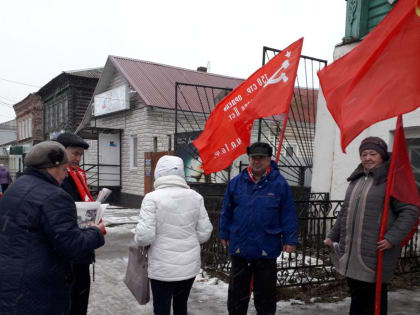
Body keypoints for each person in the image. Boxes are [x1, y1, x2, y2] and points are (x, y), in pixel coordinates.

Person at [0, 141, 105, 315]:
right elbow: (71, 246)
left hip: (11, 281)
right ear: (52, 167)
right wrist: (95, 232)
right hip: (38, 288)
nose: (65, 176)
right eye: (64, 170)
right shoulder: (55, 196)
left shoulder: (15, 188)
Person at [324, 136, 419, 315]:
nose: (367, 157)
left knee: (374, 302)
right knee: (357, 298)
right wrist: (333, 235)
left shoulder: (392, 180)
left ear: (382, 156)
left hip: (374, 252)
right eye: (364, 154)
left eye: (373, 154)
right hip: (351, 252)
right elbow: (345, 210)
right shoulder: (357, 179)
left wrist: (392, 238)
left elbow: (410, 211)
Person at [219, 142, 298, 315]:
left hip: (266, 246)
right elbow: (227, 210)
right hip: (241, 245)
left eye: (261, 158)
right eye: (254, 158)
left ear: (269, 160)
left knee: (265, 294)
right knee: (237, 293)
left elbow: (288, 213)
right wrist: (224, 232)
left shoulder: (279, 184)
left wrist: (290, 239)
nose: (257, 161)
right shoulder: (236, 183)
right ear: (249, 159)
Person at [134, 155, 213, 315]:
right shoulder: (196, 197)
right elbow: (205, 233)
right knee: (181, 305)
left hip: (161, 268)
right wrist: (188, 240)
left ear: (159, 173)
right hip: (188, 266)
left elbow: (144, 237)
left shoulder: (151, 198)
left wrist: (137, 236)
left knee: (161, 307)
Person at [55, 132, 95, 315]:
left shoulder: (78, 175)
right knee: (70, 302)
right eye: (75, 153)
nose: (79, 159)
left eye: (81, 154)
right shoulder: (59, 179)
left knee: (80, 299)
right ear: (61, 152)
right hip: (68, 252)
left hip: (81, 248)